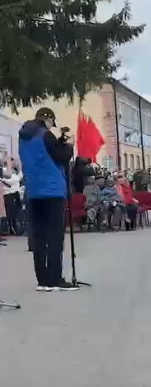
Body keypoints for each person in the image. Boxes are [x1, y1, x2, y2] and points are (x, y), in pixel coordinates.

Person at [18, 107, 78, 292]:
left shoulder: (24, 136)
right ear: (49, 119)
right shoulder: (46, 134)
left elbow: (44, 154)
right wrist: (69, 145)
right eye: (52, 122)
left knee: (39, 237)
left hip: (33, 192)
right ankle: (54, 280)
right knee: (54, 236)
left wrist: (59, 142)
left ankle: (42, 279)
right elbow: (61, 157)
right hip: (51, 192)